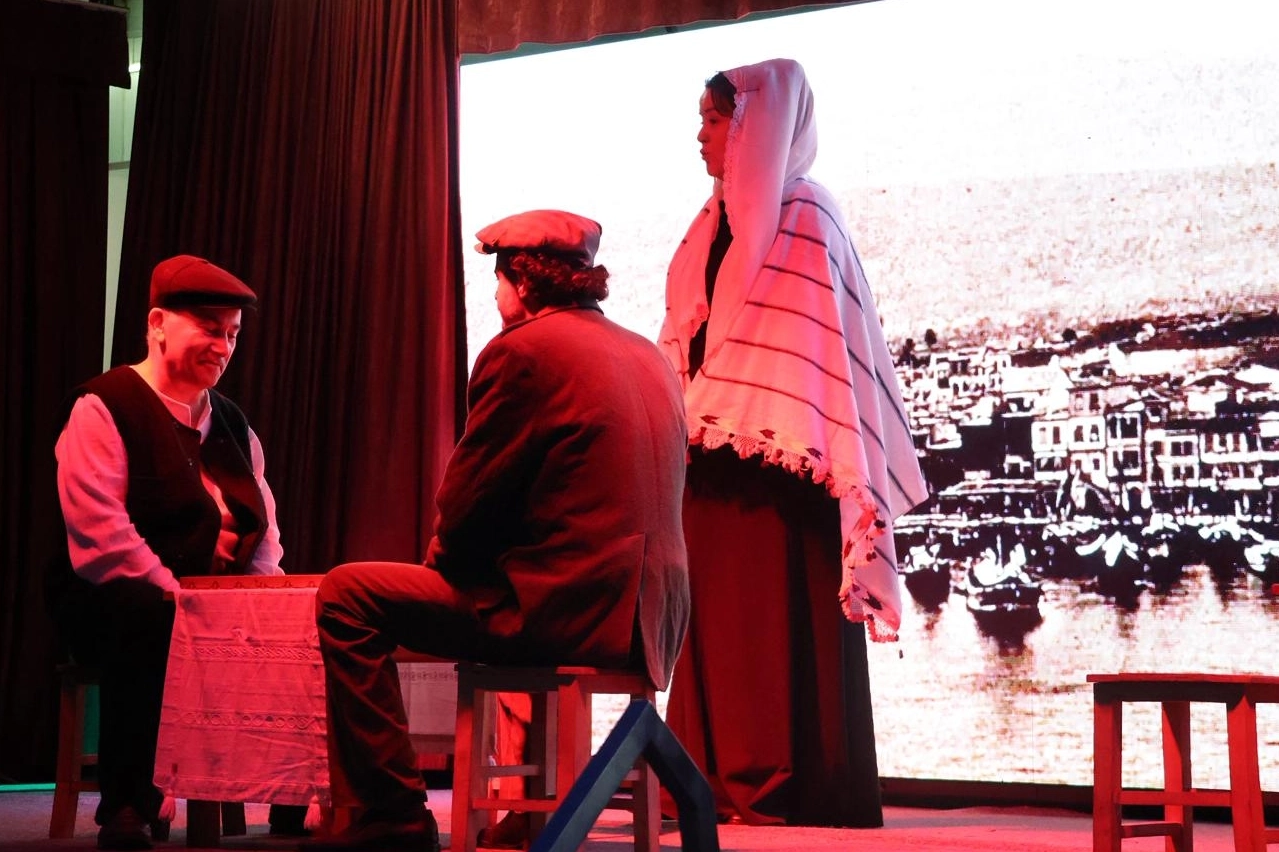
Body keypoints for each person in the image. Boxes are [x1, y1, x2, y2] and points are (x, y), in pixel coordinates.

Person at [307, 210, 690, 852]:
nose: (494, 296)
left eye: (497, 280)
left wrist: (445, 570)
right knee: (511, 580)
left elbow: (468, 502)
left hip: (567, 609)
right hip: (654, 618)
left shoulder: (523, 352)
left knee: (347, 595)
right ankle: (526, 814)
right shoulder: (647, 354)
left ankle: (391, 814)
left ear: (523, 280)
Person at [657, 58, 929, 827]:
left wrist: (735, 403)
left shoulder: (807, 212)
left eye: (715, 121)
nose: (700, 136)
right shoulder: (709, 224)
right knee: (715, 628)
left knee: (773, 634)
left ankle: (783, 787)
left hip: (784, 473)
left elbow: (811, 356)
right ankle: (705, 783)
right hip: (709, 468)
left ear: (756, 127)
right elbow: (690, 337)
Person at [46, 255, 292, 850]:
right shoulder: (105, 406)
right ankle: (129, 802)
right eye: (210, 328)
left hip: (213, 605)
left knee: (303, 615)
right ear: (158, 323)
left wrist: (265, 599)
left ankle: (294, 798)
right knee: (145, 614)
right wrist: (181, 599)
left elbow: (264, 530)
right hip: (119, 599)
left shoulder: (232, 423)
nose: (223, 347)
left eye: (232, 334)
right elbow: (103, 537)